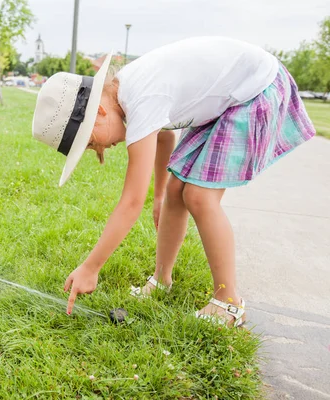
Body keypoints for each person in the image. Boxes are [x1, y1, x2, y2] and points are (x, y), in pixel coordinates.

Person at [31, 36, 316, 327]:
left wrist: (91, 268)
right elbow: (164, 133)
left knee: (199, 197)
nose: (100, 150)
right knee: (176, 189)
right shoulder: (127, 92)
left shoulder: (140, 98)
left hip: (255, 89)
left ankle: (228, 304)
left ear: (100, 114)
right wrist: (159, 196)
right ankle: (161, 279)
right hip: (229, 96)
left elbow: (130, 203)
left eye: (91, 143)